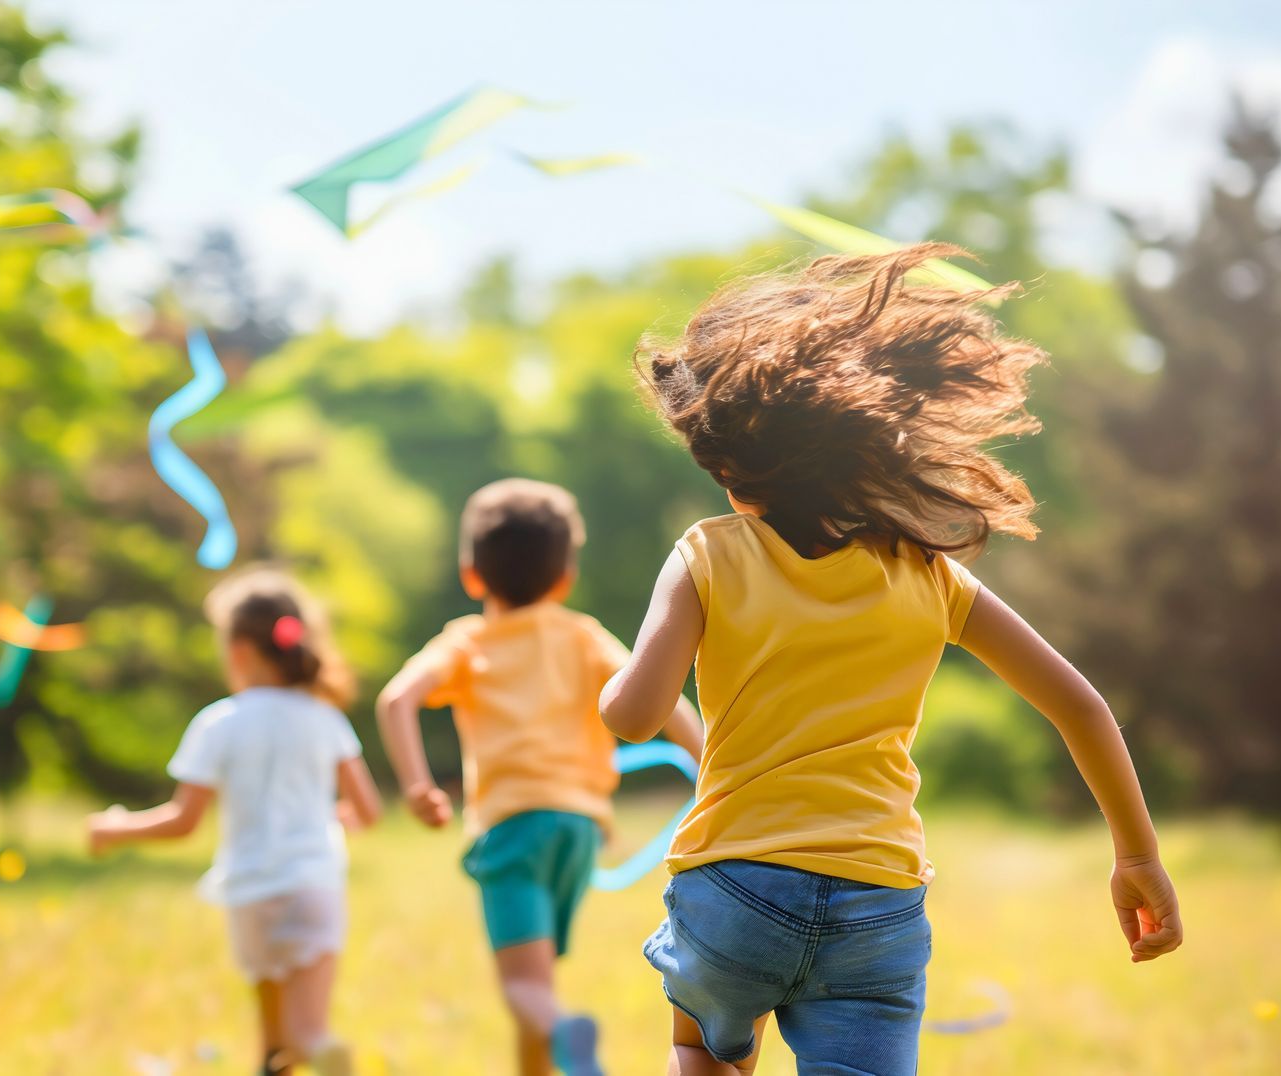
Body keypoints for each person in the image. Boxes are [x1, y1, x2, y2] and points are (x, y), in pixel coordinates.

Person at [599, 245, 1185, 1075]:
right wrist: (1136, 858)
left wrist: (613, 686)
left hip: (737, 889)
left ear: (730, 469)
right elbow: (1079, 705)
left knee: (707, 1054)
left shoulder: (707, 555)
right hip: (878, 905)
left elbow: (632, 715)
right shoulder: (926, 573)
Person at [377, 478, 705, 1076]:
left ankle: (564, 1033)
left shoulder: (467, 640)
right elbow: (664, 701)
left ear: (471, 574)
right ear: (564, 578)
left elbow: (396, 700)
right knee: (539, 978)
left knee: (526, 988)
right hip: (578, 832)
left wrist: (418, 784)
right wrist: (713, 764)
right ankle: (548, 1049)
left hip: (512, 830)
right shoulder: (582, 635)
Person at [88, 569, 380, 1076]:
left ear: (240, 651)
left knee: (274, 1044)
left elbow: (183, 821)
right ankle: (327, 1055)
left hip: (250, 892)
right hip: (313, 886)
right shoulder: (327, 720)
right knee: (309, 1032)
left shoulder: (219, 723)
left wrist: (115, 829)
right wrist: (329, 813)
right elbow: (369, 811)